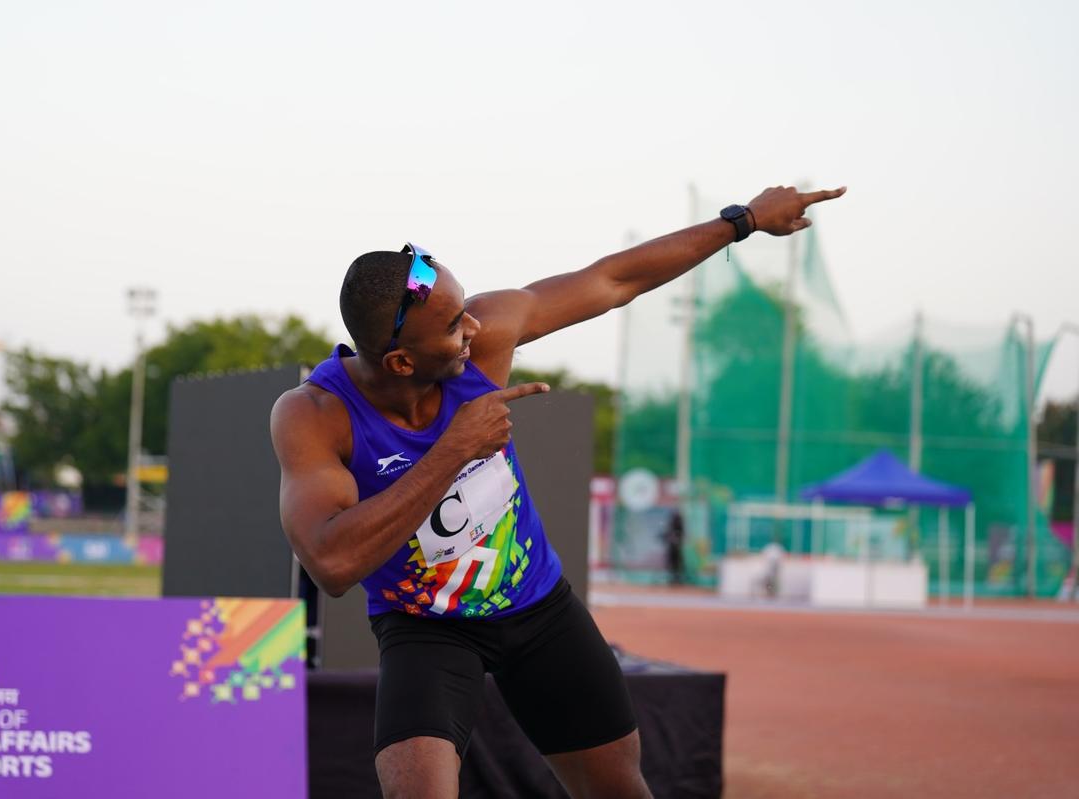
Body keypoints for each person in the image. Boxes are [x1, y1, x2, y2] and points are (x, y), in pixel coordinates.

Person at [270, 184, 845, 798]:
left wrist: (744, 220)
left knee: (619, 788)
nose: (473, 328)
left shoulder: (482, 341)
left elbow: (612, 280)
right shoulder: (315, 415)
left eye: (466, 309)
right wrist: (454, 450)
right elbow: (331, 563)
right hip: (426, 627)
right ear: (401, 363)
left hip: (538, 607)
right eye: (452, 325)